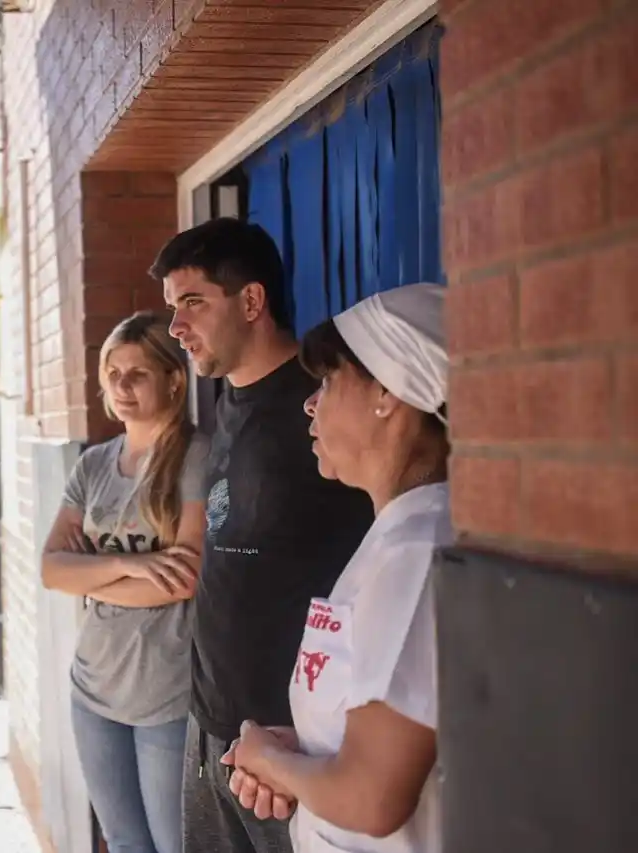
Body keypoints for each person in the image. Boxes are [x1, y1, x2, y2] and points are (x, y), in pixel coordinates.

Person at [150, 218, 375, 853]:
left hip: (291, 748)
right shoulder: (226, 401)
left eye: (193, 302)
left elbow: (378, 575)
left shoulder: (326, 403)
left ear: (252, 301)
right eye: (172, 308)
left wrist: (301, 737)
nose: (176, 327)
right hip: (213, 731)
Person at [223, 282, 452, 853]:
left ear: (387, 394)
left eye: (327, 382)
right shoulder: (395, 534)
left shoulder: (417, 549)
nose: (309, 402)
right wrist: (301, 749)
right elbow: (393, 726)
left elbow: (375, 799)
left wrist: (270, 759)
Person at [40, 311, 212, 853]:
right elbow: (49, 568)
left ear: (173, 379)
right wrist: (132, 565)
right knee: (121, 841)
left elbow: (182, 579)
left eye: (136, 373)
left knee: (172, 844)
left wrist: (89, 577)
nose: (120, 386)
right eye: (112, 373)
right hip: (92, 687)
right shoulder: (93, 464)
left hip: (165, 690)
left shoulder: (195, 454)